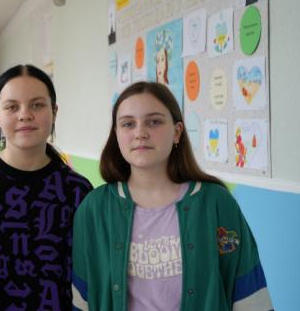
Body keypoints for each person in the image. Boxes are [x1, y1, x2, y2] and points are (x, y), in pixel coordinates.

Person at [72, 82, 273, 311]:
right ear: (117, 135)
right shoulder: (94, 209)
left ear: (177, 132)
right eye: (128, 124)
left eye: (154, 121)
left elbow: (249, 294)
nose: (140, 133)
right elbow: (81, 298)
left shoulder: (216, 203)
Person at [0, 64, 93, 310]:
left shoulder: (78, 190)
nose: (25, 115)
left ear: (54, 111)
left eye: (37, 105)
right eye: (12, 107)